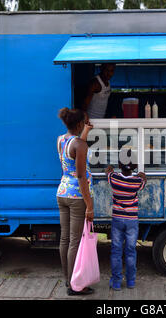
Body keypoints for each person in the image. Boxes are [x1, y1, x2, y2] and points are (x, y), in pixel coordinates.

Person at [56, 107, 95, 296]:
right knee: (75, 242)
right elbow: (80, 176)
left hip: (62, 192)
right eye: (84, 122)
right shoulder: (80, 144)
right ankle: (75, 285)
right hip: (76, 196)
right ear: (79, 124)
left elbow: (72, 157)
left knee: (65, 239)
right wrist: (89, 204)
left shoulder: (62, 140)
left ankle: (67, 279)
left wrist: (84, 133)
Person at [105, 160, 147, 291]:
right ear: (134, 168)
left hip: (117, 219)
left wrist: (111, 168)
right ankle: (130, 281)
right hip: (132, 220)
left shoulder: (114, 179)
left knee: (116, 251)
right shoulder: (137, 182)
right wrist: (142, 175)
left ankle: (117, 282)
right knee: (130, 251)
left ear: (120, 167)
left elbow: (108, 171)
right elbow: (144, 180)